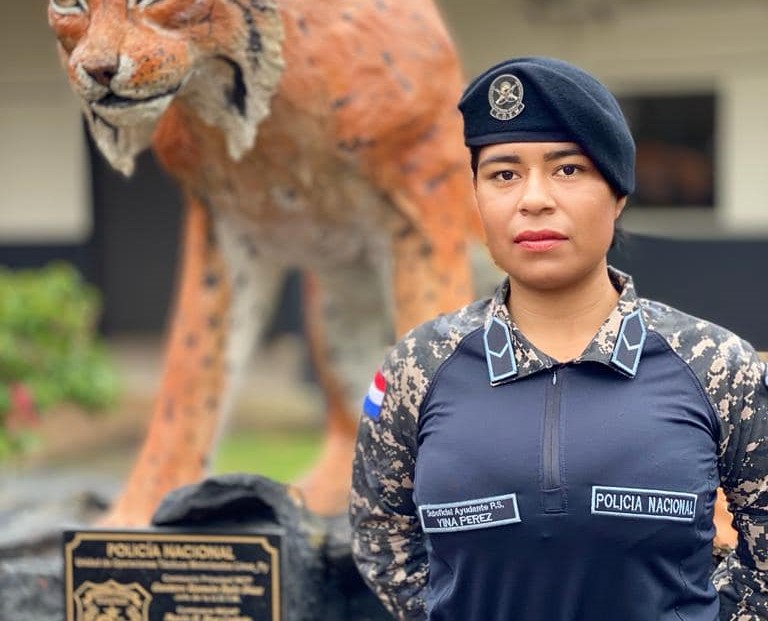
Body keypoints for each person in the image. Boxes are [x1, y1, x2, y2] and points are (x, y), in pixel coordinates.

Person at [349, 56, 768, 621]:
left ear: (617, 193)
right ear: (476, 196)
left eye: (568, 170)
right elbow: (384, 540)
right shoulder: (418, 367)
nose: (534, 199)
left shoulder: (717, 365)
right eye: (503, 174)